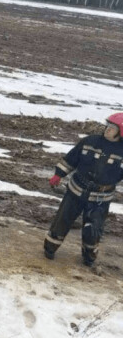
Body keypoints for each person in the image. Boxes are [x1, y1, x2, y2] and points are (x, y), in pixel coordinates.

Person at [44, 113, 123, 266]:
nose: (107, 129)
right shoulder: (90, 141)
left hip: (101, 198)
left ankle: (89, 257)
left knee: (93, 230)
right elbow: (71, 158)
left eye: (112, 128)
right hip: (76, 190)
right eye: (107, 126)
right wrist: (58, 174)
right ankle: (49, 248)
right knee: (61, 221)